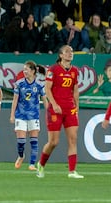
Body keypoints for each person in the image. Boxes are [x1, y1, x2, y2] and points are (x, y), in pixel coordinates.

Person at [36, 45, 84, 179]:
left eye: (72, 52)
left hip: (70, 109)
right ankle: (41, 164)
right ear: (61, 55)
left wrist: (77, 106)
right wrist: (54, 104)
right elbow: (47, 89)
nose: (70, 53)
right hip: (55, 109)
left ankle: (72, 171)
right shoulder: (53, 70)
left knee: (73, 139)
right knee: (53, 142)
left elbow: (75, 90)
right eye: (67, 52)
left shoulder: (74, 70)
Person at [10, 61, 48, 170]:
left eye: (27, 69)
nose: (24, 71)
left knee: (34, 141)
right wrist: (12, 115)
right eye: (24, 69)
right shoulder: (19, 83)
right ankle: (21, 156)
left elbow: (45, 101)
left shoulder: (39, 85)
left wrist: (50, 114)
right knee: (21, 141)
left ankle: (32, 164)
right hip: (20, 116)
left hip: (34, 116)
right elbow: (15, 100)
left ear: (33, 71)